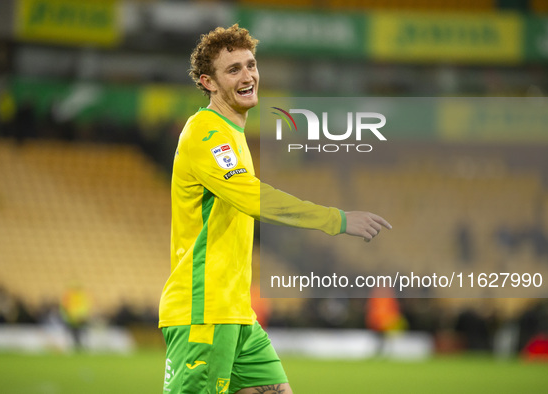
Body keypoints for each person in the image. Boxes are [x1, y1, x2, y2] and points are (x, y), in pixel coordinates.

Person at [158, 24, 391, 394]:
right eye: (233, 70)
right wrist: (337, 219)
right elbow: (252, 197)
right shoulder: (206, 131)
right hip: (204, 311)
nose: (248, 75)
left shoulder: (232, 133)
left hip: (236, 313)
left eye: (250, 65)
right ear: (208, 82)